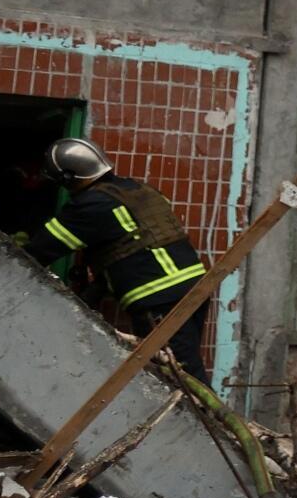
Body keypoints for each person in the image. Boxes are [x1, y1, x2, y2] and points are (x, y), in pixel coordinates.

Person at [11, 139, 210, 379]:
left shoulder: (90, 205)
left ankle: (204, 416)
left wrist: (10, 250)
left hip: (159, 297)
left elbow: (40, 252)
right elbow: (131, 246)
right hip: (193, 286)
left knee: (179, 376)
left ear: (68, 178)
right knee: (182, 365)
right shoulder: (136, 189)